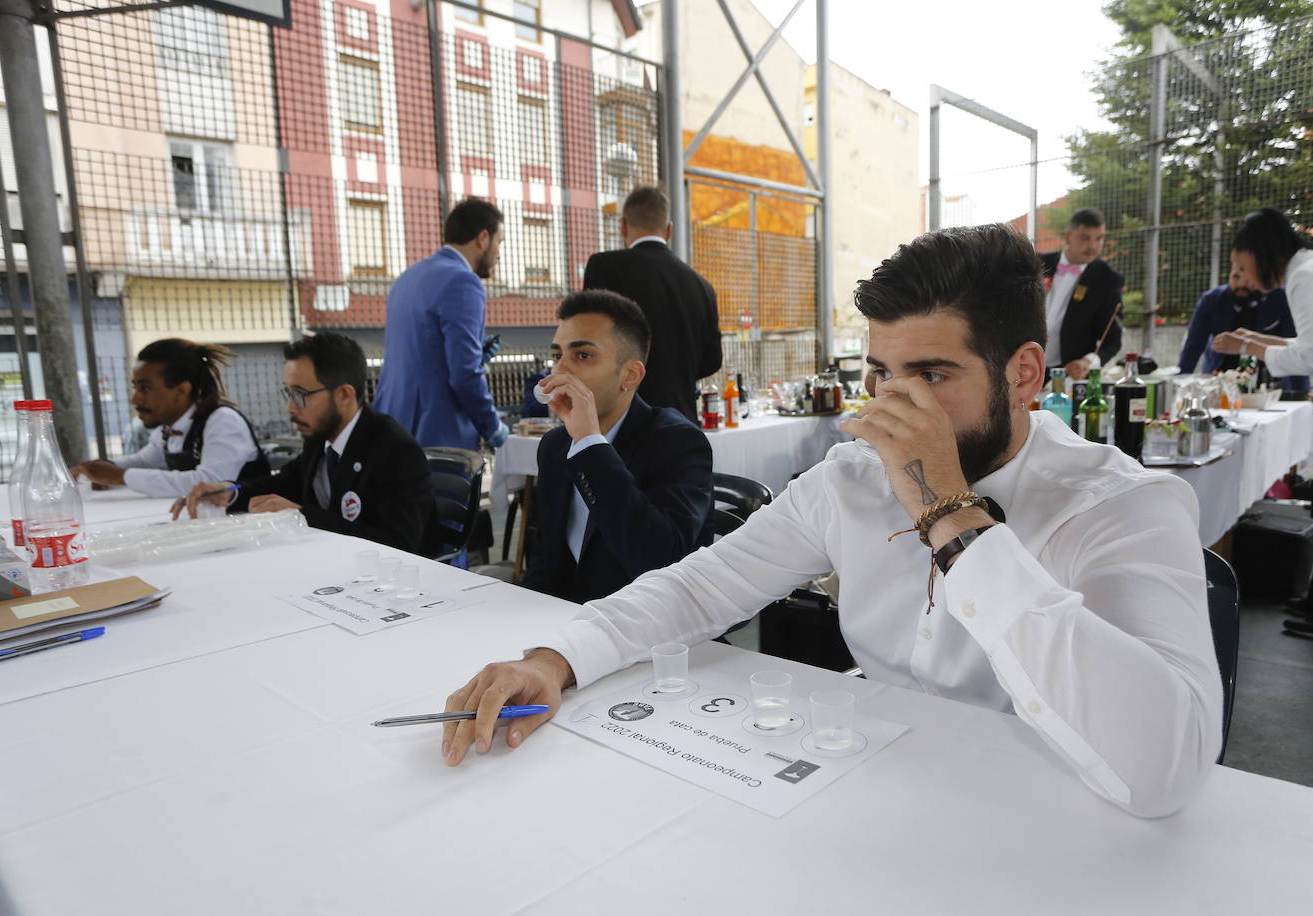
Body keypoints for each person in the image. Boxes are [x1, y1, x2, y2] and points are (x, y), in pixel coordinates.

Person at [438, 224, 1223, 819]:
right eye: (881, 375)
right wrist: (554, 659)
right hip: (867, 796)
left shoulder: (1122, 505)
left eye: (934, 375)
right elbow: (695, 590)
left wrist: (953, 518)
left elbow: (1166, 765)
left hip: (1049, 822)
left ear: (1023, 375)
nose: (895, 406)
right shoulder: (851, 477)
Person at [1210, 207, 1313, 641]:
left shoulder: (1308, 277)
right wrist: (1250, 340)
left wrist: (1251, 349)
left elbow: (1309, 354)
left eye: (1242, 265)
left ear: (1261, 253)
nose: (1242, 275)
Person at [523, 290, 714, 604]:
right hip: (566, 629)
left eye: (582, 355)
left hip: (650, 628)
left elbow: (658, 560)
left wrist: (589, 445)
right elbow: (545, 562)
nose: (560, 371)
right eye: (558, 355)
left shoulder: (678, 442)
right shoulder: (555, 446)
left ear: (631, 375)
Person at [180, 333, 437, 557]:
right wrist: (231, 491)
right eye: (288, 393)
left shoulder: (395, 451)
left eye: (300, 394)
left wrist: (302, 516)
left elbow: (399, 545)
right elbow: (283, 483)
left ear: (344, 395)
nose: (290, 407)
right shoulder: (321, 439)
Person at [373, 197, 509, 451]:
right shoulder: (463, 282)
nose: (499, 254)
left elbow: (420, 353)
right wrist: (493, 428)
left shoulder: (407, 277)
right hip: (437, 438)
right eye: (499, 242)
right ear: (482, 238)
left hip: (391, 428)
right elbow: (464, 375)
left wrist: (474, 354)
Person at [584, 185, 722, 424]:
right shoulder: (702, 286)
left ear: (623, 226)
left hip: (622, 424)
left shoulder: (603, 268)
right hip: (682, 423)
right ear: (669, 230)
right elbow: (712, 360)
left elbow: (588, 344)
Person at [71, 339, 269, 497]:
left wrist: (122, 476)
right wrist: (100, 469)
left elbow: (211, 482)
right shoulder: (167, 429)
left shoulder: (223, 422)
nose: (135, 399)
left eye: (145, 388)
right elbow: (145, 461)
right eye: (135, 388)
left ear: (181, 391)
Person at [1177, 272, 1309, 393]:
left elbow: (1292, 347)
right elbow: (1193, 346)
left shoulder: (1281, 299)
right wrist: (1178, 386)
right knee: (1218, 419)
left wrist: (1300, 393)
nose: (1241, 285)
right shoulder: (1211, 300)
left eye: (1248, 280)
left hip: (1268, 383)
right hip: (1220, 380)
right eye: (1236, 277)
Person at [1039, 208, 1125, 379]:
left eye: (1099, 239)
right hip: (1022, 366)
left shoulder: (1107, 280)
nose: (1093, 246)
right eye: (1085, 238)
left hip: (1068, 374)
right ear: (1068, 237)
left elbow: (1112, 339)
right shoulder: (1036, 264)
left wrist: (1088, 361)